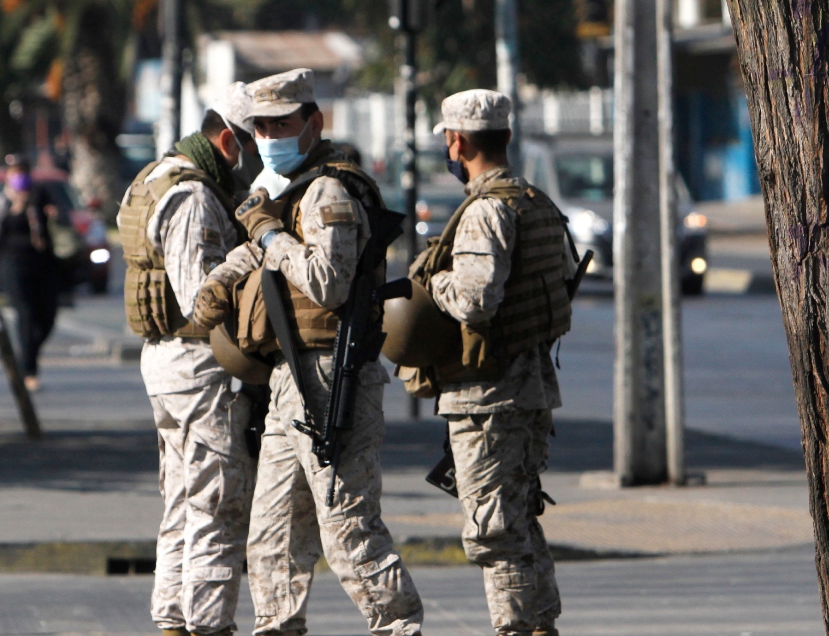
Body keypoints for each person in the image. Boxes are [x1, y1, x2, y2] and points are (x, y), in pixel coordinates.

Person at [194, 68, 424, 636]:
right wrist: (222, 280)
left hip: (330, 373)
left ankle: (400, 625)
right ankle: (278, 626)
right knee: (272, 535)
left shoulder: (328, 191)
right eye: (261, 127)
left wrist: (269, 236)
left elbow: (328, 282)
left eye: (282, 124)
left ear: (313, 122)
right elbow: (260, 253)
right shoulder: (285, 190)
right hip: (289, 380)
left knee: (348, 528)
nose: (269, 136)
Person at [423, 89, 576, 636]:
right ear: (506, 137)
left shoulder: (486, 210)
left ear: (456, 142)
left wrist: (431, 280)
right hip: (529, 388)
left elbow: (474, 300)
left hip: (488, 395)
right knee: (519, 517)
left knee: (495, 530)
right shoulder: (537, 203)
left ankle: (516, 628)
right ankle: (540, 625)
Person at [120, 83, 261, 636]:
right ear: (228, 141)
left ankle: (174, 621)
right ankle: (207, 624)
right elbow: (198, 297)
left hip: (172, 367)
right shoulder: (194, 196)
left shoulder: (158, 176)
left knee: (183, 500)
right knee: (217, 506)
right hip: (198, 369)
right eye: (253, 142)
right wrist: (253, 254)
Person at [0, 155, 59, 392]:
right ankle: (28, 370)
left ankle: (27, 352)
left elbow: (61, 220)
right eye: (14, 172)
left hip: (42, 264)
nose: (19, 177)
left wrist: (52, 214)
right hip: (11, 264)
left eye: (22, 172)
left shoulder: (40, 195)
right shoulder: (1, 202)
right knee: (25, 313)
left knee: (47, 317)